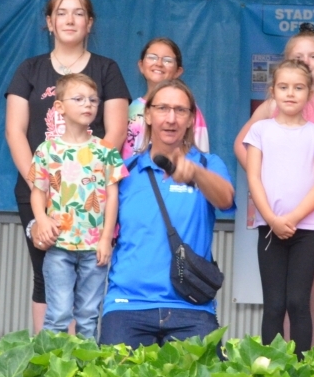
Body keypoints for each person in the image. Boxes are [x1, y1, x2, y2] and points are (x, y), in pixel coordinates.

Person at [5, 0, 129, 332]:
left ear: (90, 23)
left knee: (87, 281)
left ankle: (80, 357)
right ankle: (48, 354)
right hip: (39, 189)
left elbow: (116, 131)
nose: (70, 20)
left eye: (78, 13)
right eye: (61, 12)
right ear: (49, 22)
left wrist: (83, 174)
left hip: (91, 194)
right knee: (46, 275)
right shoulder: (29, 69)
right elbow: (15, 131)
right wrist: (43, 187)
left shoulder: (107, 69)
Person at [234, 24, 314, 347]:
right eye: (298, 56)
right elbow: (242, 147)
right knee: (280, 298)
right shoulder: (270, 109)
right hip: (274, 209)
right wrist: (266, 181)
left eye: (313, 56)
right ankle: (280, 360)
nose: (306, 61)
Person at [100, 80, 235, 348]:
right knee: (111, 374)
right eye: (162, 108)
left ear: (191, 119)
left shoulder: (208, 164)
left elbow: (225, 199)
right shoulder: (124, 170)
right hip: (127, 303)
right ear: (148, 115)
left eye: (180, 110)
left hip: (191, 306)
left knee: (207, 374)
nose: (171, 118)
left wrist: (196, 173)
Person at [242, 59, 314, 355]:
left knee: (298, 302)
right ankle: (271, 369)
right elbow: (253, 177)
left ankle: (301, 369)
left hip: (305, 231)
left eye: (298, 88)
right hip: (269, 229)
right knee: (274, 304)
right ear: (272, 91)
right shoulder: (260, 130)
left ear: (309, 93)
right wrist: (271, 219)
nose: (290, 93)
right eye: (283, 87)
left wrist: (292, 218)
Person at [28, 73, 122, 342]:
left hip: (94, 248)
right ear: (59, 107)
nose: (88, 104)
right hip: (59, 245)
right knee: (58, 314)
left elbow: (112, 196)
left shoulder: (106, 151)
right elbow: (37, 192)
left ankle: (85, 366)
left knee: (88, 315)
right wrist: (41, 221)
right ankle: (52, 365)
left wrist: (106, 238)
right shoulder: (47, 150)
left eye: (93, 100)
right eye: (78, 99)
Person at [124, 37, 209, 160]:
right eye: (152, 57)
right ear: (141, 65)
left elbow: (202, 155)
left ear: (178, 71)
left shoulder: (187, 109)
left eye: (168, 60)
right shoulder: (128, 109)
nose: (159, 64)